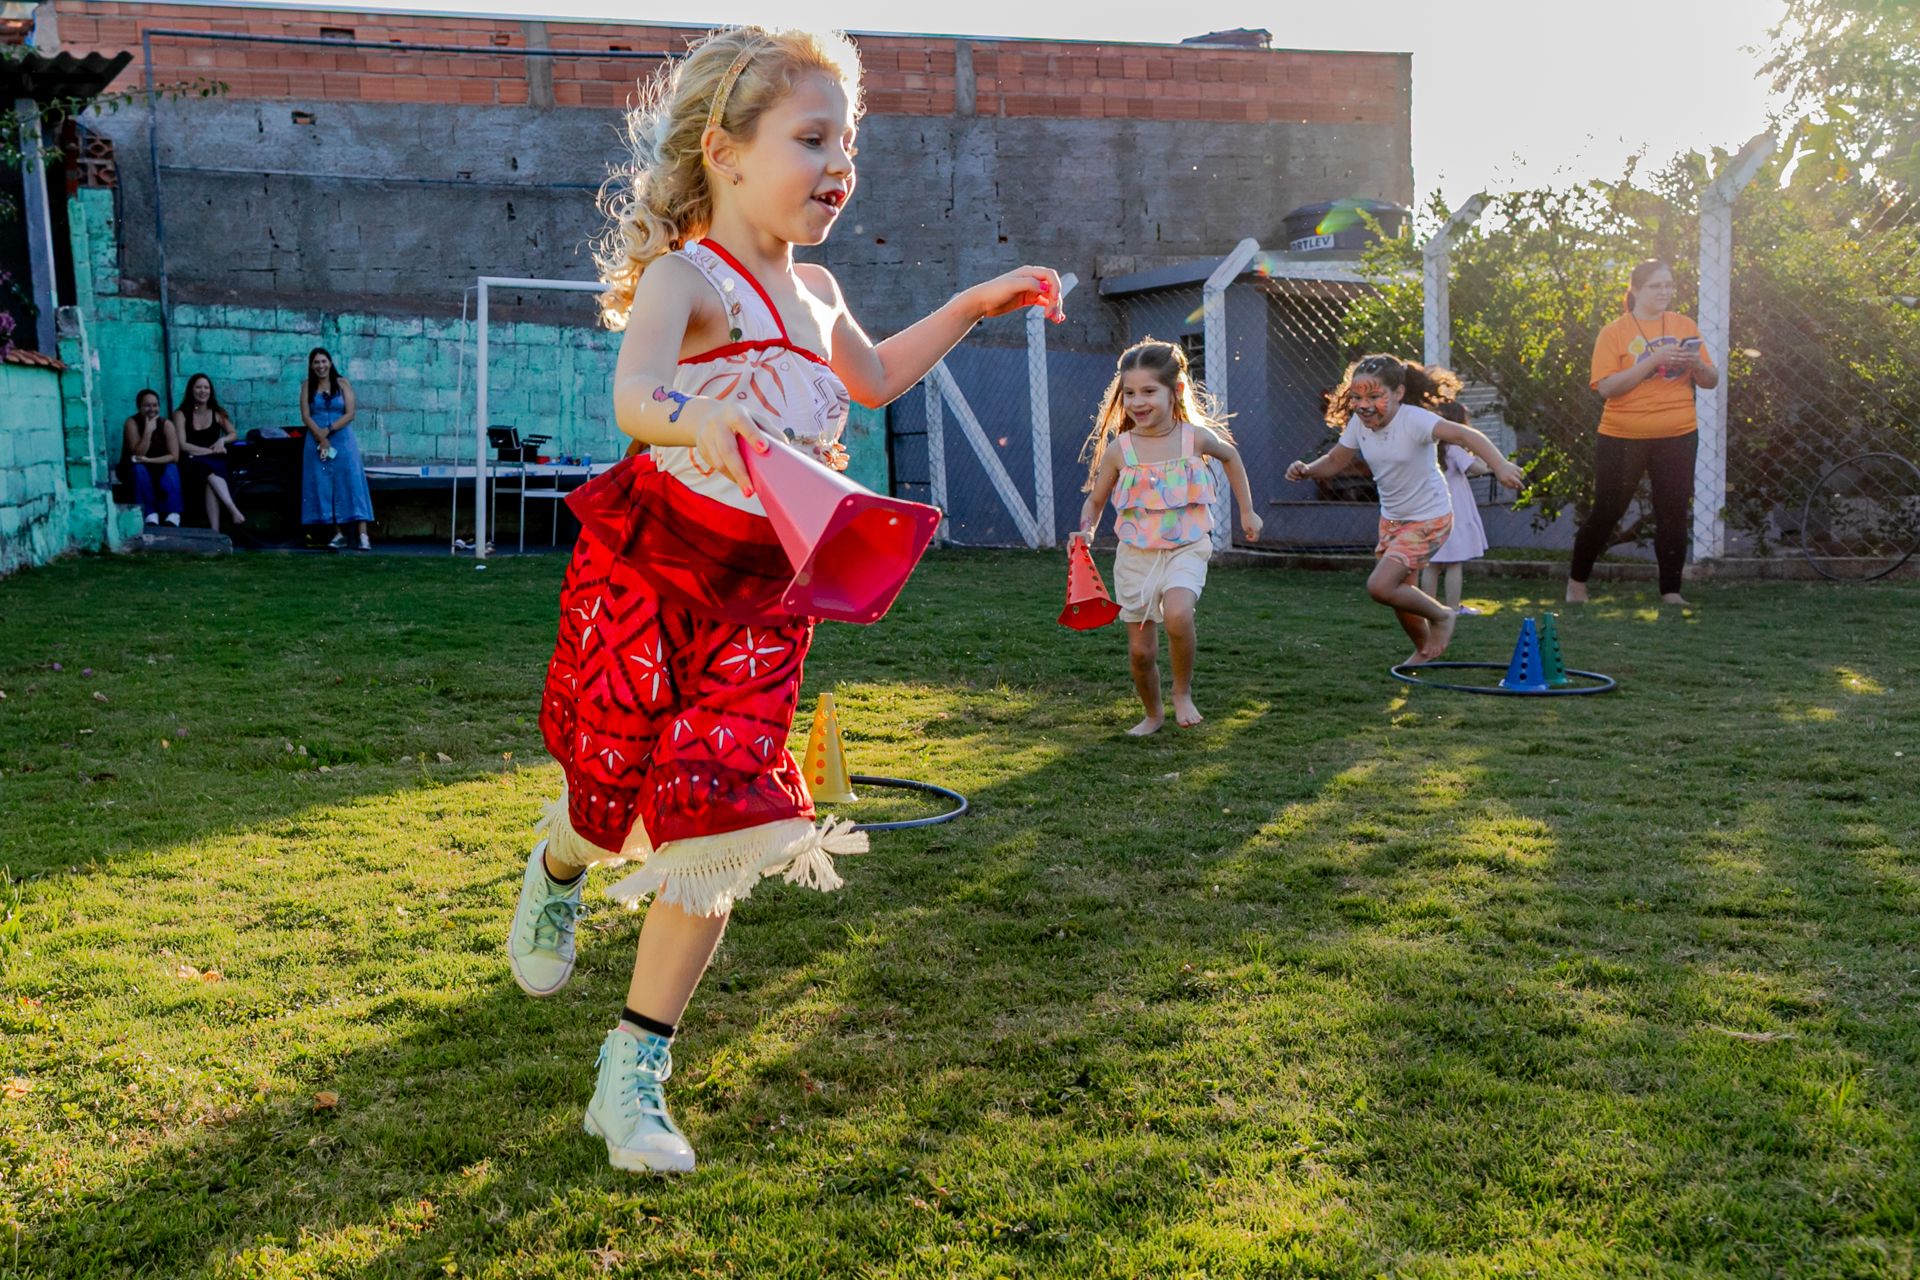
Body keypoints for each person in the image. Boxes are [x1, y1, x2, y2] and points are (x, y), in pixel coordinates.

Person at [504, 25, 1064, 1175]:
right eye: (812, 138)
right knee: (609, 795)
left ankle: (632, 1074)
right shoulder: (687, 278)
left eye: (847, 143)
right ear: (724, 150)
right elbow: (632, 391)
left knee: (721, 824)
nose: (838, 164)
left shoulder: (817, 291)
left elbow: (873, 377)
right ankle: (558, 867)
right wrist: (694, 416)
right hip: (653, 572)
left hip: (769, 597)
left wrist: (972, 300)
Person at [1287, 355, 1524, 664]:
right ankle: (1425, 650)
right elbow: (1334, 460)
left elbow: (1465, 435)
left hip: (1430, 517)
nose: (1364, 405)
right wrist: (1307, 469)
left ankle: (1442, 615)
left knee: (1380, 585)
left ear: (1398, 393)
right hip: (1393, 521)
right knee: (1400, 591)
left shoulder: (1414, 420)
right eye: (1357, 397)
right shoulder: (1359, 425)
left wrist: (1500, 464)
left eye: (1374, 396)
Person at [1075, 338, 1260, 735]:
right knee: (1141, 653)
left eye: (1148, 392)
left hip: (1187, 546)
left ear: (1174, 391)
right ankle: (1153, 713)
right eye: (1129, 393)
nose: (1137, 402)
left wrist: (1247, 510)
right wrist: (1086, 527)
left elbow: (1231, 457)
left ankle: (1182, 691)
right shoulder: (1120, 450)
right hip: (1137, 556)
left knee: (1178, 614)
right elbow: (1096, 499)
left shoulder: (1194, 438)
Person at [1566, 258, 1718, 606]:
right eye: (1655, 286)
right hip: (1622, 436)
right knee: (1608, 509)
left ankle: (1671, 591)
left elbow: (1710, 381)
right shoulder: (1615, 332)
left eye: (1669, 285)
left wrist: (1696, 364)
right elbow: (1606, 388)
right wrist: (1651, 360)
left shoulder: (1684, 325)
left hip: (1678, 433)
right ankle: (1577, 583)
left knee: (1673, 510)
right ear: (1635, 290)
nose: (1664, 292)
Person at [299, 347, 374, 549]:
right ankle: (338, 533)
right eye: (316, 362)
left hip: (342, 438)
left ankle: (363, 534)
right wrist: (320, 436)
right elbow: (306, 415)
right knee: (325, 484)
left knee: (352, 481)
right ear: (311, 365)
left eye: (324, 361)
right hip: (317, 439)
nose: (320, 366)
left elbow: (350, 413)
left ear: (330, 363)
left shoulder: (342, 383)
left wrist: (329, 430)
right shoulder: (308, 386)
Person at [1419, 399, 1489, 616]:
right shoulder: (1454, 449)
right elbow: (1479, 469)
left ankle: (1427, 607)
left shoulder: (1428, 448)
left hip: (1431, 508)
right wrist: (1481, 455)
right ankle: (1452, 607)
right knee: (1454, 563)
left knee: (1432, 563)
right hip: (1455, 510)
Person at [172, 373, 246, 533]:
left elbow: (233, 434)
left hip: (213, 462)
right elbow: (182, 445)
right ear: (191, 390)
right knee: (205, 470)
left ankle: (215, 532)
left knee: (209, 479)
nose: (202, 391)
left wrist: (221, 441)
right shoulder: (181, 414)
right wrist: (208, 451)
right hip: (190, 462)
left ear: (210, 391)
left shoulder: (217, 413)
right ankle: (233, 509)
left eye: (206, 387)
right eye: (198, 387)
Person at [120, 388, 182, 527]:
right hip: (135, 467)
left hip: (158, 465)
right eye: (147, 405)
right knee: (139, 469)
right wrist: (148, 431)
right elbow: (138, 455)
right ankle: (150, 513)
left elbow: (174, 456)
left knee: (172, 468)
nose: (151, 409)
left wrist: (150, 460)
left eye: (155, 405)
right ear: (139, 407)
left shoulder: (166, 424)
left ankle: (173, 513)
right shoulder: (131, 423)